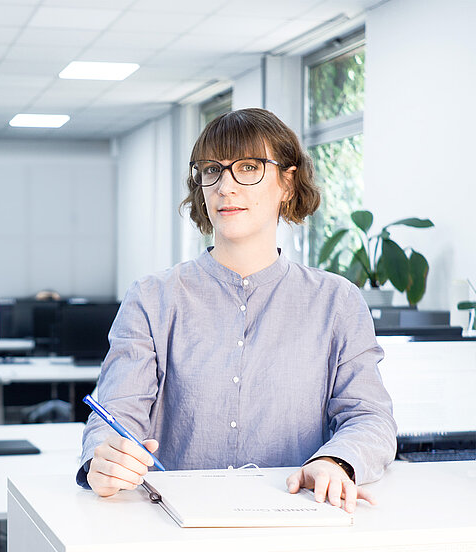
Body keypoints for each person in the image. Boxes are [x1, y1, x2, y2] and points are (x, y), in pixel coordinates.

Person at [78, 108, 396, 513]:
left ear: (287, 181)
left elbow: (370, 416)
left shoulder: (338, 301)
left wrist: (335, 461)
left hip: (298, 521)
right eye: (211, 170)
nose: (225, 186)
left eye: (248, 167)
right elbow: (116, 413)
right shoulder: (151, 297)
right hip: (171, 526)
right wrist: (103, 457)